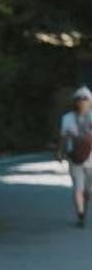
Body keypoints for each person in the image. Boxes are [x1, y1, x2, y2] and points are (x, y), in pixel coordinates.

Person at [58, 85, 92, 228]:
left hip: (87, 157)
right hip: (75, 157)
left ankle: (82, 211)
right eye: (80, 99)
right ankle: (81, 214)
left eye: (85, 99)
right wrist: (60, 152)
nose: (83, 102)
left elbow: (64, 137)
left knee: (87, 190)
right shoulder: (67, 118)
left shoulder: (89, 117)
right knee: (79, 187)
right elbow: (64, 137)